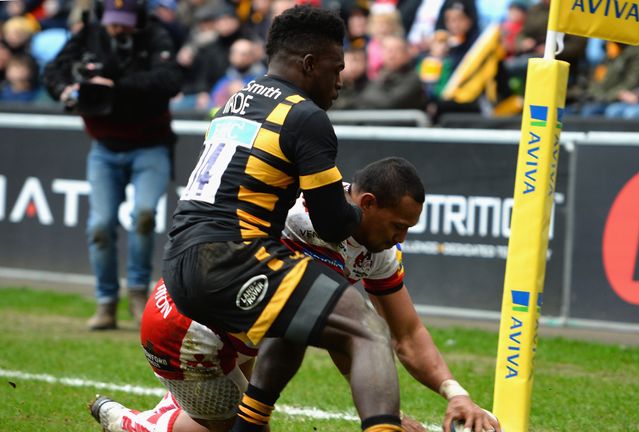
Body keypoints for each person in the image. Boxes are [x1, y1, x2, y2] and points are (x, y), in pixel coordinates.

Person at [88, 157, 501, 432]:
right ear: (368, 203)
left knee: (255, 394)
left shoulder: (377, 250)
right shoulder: (298, 215)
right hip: (185, 325)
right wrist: (382, 414)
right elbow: (344, 334)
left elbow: (407, 334)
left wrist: (456, 392)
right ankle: (139, 425)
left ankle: (182, 404)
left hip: (245, 328)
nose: (401, 238)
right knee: (233, 424)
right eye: (398, 226)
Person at [159, 6, 405, 432]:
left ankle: (249, 424)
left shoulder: (238, 99)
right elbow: (331, 223)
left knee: (300, 311)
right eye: (336, 68)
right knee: (366, 327)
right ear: (309, 64)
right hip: (229, 256)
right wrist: (359, 214)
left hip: (179, 260)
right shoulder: (306, 116)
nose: (341, 81)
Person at [42, 0, 182, 330]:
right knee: (100, 226)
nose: (117, 28)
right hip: (104, 147)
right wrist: (66, 91)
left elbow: (170, 80)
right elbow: (52, 71)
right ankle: (106, 302)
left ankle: (136, 293)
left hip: (150, 145)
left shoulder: (156, 36)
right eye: (112, 22)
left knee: (144, 216)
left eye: (124, 22)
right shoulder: (88, 34)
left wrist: (116, 88)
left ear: (137, 19)